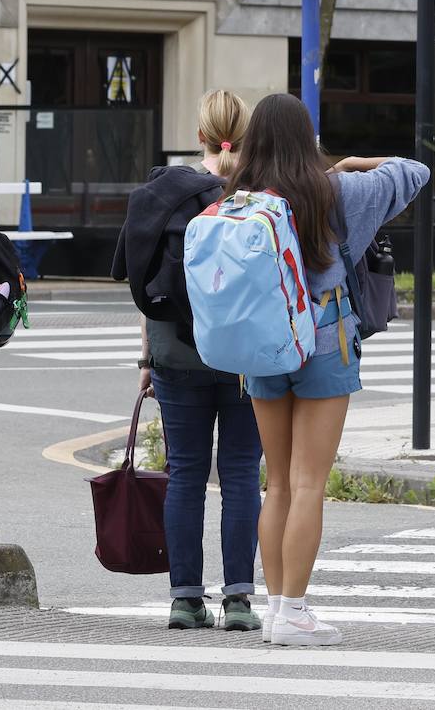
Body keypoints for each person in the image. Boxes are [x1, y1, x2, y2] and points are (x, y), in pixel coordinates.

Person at [230, 94, 429, 647]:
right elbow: (415, 170)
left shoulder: (238, 199)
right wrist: (353, 163)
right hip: (323, 339)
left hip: (262, 345)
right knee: (309, 483)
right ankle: (294, 611)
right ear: (305, 138)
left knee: (276, 483)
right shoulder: (337, 191)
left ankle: (275, 608)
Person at [118, 89, 265, 631]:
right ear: (246, 136)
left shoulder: (166, 192)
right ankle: (239, 601)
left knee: (185, 472)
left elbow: (144, 286)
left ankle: (185, 599)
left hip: (176, 350)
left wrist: (146, 357)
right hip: (245, 355)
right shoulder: (262, 195)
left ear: (200, 135)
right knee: (241, 472)